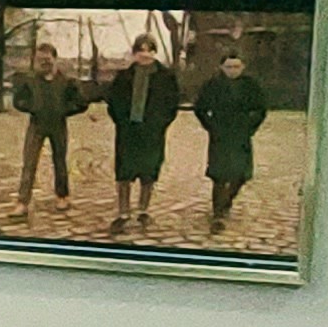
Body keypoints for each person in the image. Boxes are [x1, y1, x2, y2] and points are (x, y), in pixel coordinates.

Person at [102, 36, 182, 234]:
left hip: (152, 132)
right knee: (124, 172)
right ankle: (123, 212)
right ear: (135, 53)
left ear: (154, 52)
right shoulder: (124, 76)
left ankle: (143, 210)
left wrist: (159, 123)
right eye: (140, 50)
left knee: (149, 171)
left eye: (149, 50)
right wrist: (121, 121)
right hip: (128, 132)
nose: (144, 54)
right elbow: (113, 101)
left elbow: (172, 104)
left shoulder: (166, 77)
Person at [194, 51, 271, 237]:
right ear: (222, 67)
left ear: (242, 67)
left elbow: (261, 109)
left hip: (241, 135)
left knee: (241, 174)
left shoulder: (251, 85)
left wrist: (250, 127)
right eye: (228, 67)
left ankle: (227, 202)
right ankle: (218, 214)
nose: (232, 70)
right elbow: (200, 108)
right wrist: (211, 126)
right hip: (220, 135)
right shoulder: (213, 85)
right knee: (219, 174)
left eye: (236, 67)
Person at [10, 43, 81, 207]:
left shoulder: (66, 82)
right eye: (40, 59)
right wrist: (32, 107)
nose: (44, 63)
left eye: (47, 59)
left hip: (58, 125)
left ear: (55, 59)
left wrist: (64, 110)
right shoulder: (30, 81)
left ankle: (62, 196)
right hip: (37, 125)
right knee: (29, 163)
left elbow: (79, 102)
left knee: (60, 162)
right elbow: (18, 101)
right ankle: (22, 202)